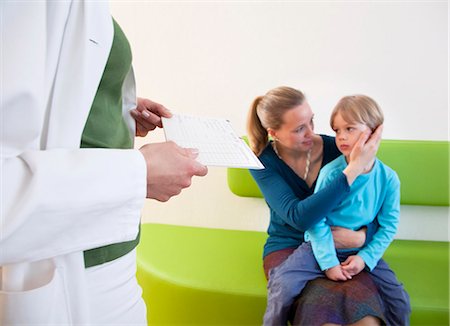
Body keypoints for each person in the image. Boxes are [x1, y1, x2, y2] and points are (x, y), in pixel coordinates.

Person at [1, 2, 207, 325]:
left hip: (108, 248)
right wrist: (141, 175)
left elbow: (48, 94)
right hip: (74, 263)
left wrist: (113, 107)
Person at [262, 94, 411, 325]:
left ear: (373, 132)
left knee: (399, 300)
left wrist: (364, 254)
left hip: (358, 250)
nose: (340, 137)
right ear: (274, 133)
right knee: (284, 284)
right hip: (315, 246)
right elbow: (312, 221)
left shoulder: (388, 178)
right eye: (337, 130)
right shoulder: (332, 173)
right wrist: (329, 262)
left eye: (348, 129)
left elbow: (388, 224)